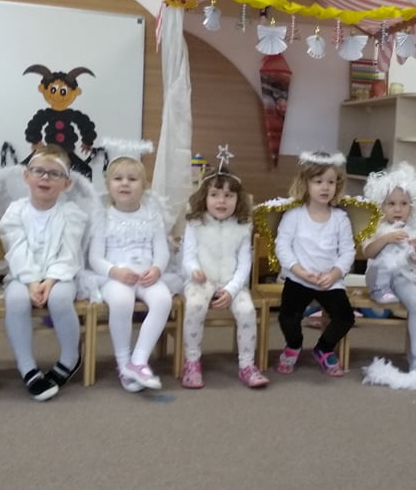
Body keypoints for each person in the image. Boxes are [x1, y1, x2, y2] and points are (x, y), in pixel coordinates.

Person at [0, 144, 88, 401]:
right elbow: (16, 249)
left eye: (54, 173)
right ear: (27, 176)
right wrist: (30, 282)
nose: (45, 178)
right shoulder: (15, 211)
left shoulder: (72, 214)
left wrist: (49, 280)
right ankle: (27, 366)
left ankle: (70, 358)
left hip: (60, 275)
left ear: (66, 184)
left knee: (59, 299)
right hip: (22, 274)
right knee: (16, 300)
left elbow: (69, 253)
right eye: (38, 171)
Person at [180, 146, 268, 388]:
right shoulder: (195, 222)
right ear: (205, 197)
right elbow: (187, 256)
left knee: (247, 311)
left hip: (232, 282)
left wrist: (231, 289)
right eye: (215, 194)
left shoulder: (242, 226)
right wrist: (194, 270)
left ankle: (247, 365)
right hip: (201, 280)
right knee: (195, 306)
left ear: (238, 200)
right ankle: (192, 362)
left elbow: (245, 262)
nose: (222, 201)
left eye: (229, 196)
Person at [88, 148, 173, 393]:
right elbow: (95, 257)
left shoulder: (153, 216)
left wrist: (156, 269)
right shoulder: (103, 217)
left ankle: (139, 361)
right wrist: (115, 272)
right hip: (115, 277)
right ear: (108, 185)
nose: (125, 183)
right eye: (118, 179)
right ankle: (123, 362)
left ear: (144, 186)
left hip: (146, 275)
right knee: (122, 302)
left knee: (163, 300)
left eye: (132, 179)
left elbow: (162, 251)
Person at [360, 162, 416, 390]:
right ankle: (380, 291)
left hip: (403, 281)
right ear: (381, 206)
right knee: (381, 266)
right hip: (377, 278)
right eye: (391, 204)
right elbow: (368, 252)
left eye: (404, 204)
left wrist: (415, 250)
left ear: (412, 207)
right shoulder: (375, 229)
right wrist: (386, 239)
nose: (398, 209)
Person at [274, 151, 356, 376]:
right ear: (306, 183)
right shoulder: (294, 215)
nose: (325, 187)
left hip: (329, 281)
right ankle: (293, 345)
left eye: (330, 182)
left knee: (345, 317)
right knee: (287, 316)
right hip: (299, 278)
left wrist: (335, 274)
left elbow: (347, 251)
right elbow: (282, 247)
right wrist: (299, 271)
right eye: (318, 181)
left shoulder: (340, 219)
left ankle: (324, 348)